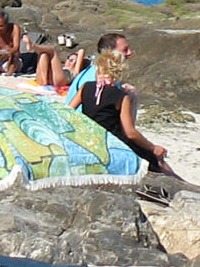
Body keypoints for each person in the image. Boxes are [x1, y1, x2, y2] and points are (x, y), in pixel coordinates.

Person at [75, 49, 180, 177]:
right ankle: (183, 184)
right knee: (155, 159)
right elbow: (130, 133)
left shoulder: (85, 87)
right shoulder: (121, 96)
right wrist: (153, 147)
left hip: (90, 138)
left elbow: (68, 110)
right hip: (113, 141)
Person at [67, 30, 127, 100]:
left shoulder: (95, 70)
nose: (130, 53)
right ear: (110, 53)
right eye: (125, 50)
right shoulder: (101, 78)